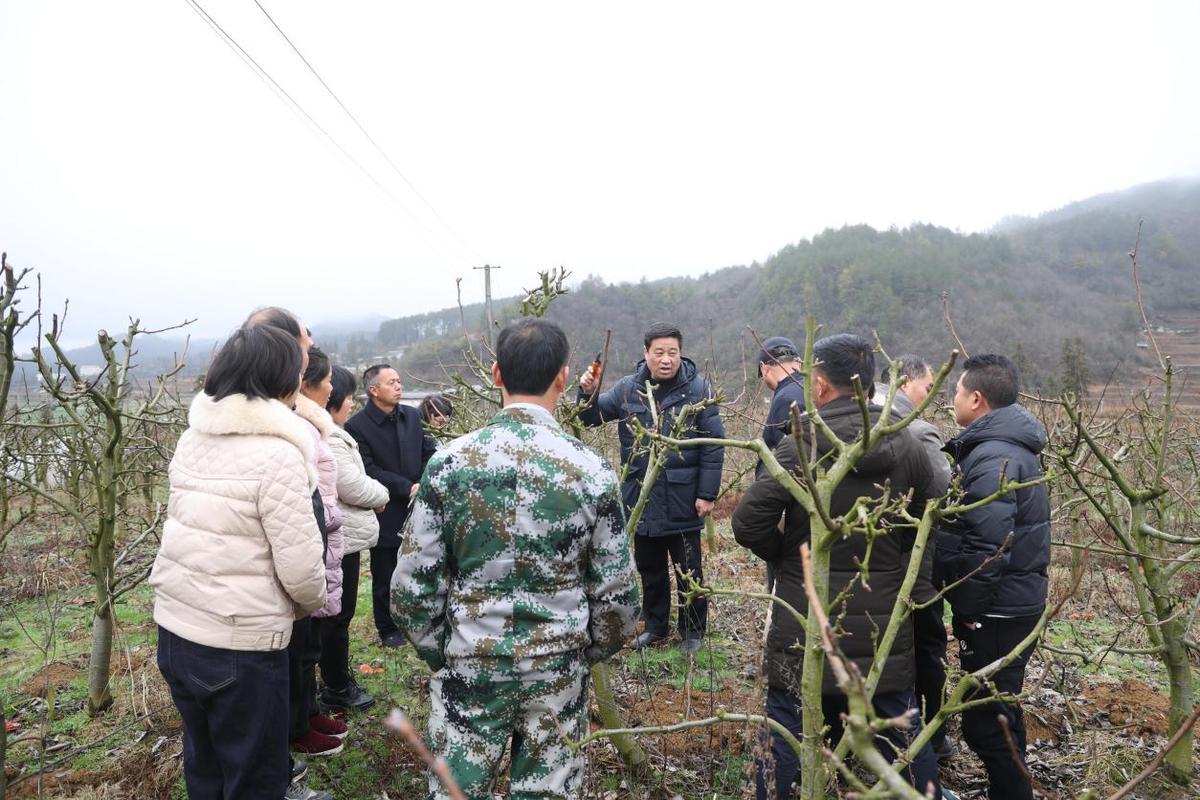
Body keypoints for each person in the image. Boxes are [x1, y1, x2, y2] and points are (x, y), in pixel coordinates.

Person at [391, 318, 639, 800]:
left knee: (457, 788)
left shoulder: (449, 464)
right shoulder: (591, 471)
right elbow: (618, 595)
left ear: (495, 373)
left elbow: (411, 587)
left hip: (470, 660)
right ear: (563, 378)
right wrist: (581, 651)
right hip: (557, 667)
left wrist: (442, 651)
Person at [731, 333, 942, 800]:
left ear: (821, 387)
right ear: (869, 385)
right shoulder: (906, 444)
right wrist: (901, 566)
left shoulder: (800, 445)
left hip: (806, 617)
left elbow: (747, 523)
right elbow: (931, 516)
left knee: (787, 726)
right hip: (882, 622)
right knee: (899, 726)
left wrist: (788, 555)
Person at [150, 325, 327, 800]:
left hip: (177, 629)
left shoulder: (193, 438)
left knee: (205, 764)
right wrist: (308, 605)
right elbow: (302, 570)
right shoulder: (278, 453)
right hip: (240, 642)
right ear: (281, 381)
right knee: (255, 777)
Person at [935, 354, 1050, 800]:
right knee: (998, 710)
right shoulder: (1008, 448)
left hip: (997, 609)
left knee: (986, 721)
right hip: (1011, 602)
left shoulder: (993, 456)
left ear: (977, 398)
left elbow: (988, 548)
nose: (953, 402)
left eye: (957, 393)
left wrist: (966, 607)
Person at [577, 322, 724, 654]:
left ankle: (693, 631)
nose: (666, 359)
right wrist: (588, 393)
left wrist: (707, 493)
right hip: (640, 498)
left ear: (680, 353)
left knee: (689, 571)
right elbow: (590, 418)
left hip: (684, 498)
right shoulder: (628, 389)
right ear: (646, 354)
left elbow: (713, 444)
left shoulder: (699, 390)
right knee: (650, 569)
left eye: (673, 352)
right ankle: (656, 626)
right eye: (659, 352)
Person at [880, 354, 954, 760]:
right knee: (926, 645)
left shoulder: (853, 420)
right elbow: (943, 494)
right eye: (928, 388)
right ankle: (932, 736)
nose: (930, 397)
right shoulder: (919, 431)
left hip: (865, 564)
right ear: (906, 381)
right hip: (914, 560)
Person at [344, 364, 436, 647]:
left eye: (399, 381)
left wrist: (423, 480)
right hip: (385, 506)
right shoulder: (357, 426)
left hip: (417, 503)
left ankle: (418, 620)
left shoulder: (411, 416)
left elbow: (428, 451)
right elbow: (368, 469)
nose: (399, 386)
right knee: (385, 573)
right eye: (392, 382)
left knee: (420, 564)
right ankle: (388, 629)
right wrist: (405, 486)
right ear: (374, 390)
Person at [319, 365, 390, 712]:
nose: (352, 405)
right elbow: (351, 485)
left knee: (339, 613)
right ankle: (336, 684)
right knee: (338, 614)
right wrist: (382, 494)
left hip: (345, 536)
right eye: (348, 399)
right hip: (340, 539)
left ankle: (336, 679)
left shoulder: (332, 432)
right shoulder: (331, 437)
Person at [292, 347, 351, 756]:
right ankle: (297, 724)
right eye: (328, 380)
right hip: (313, 539)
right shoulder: (300, 428)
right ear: (307, 384)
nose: (332, 387)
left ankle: (307, 712)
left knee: (309, 640)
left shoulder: (314, 424)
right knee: (300, 642)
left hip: (324, 538)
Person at [755, 336, 805, 478]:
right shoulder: (816, 389)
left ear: (764, 369)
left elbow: (780, 460)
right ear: (799, 363)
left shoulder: (784, 401)